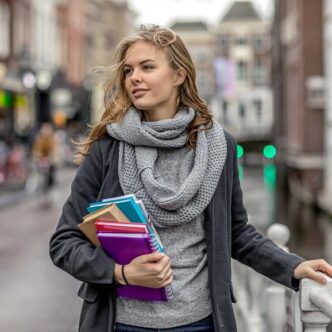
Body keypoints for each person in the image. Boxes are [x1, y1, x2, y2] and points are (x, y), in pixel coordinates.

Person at [49, 26, 332, 332]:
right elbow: (64, 242)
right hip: (120, 324)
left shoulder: (219, 146)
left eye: (147, 67)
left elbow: (237, 234)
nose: (134, 78)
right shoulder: (109, 147)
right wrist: (121, 272)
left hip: (201, 323)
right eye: (129, 70)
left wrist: (292, 266)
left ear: (179, 75)